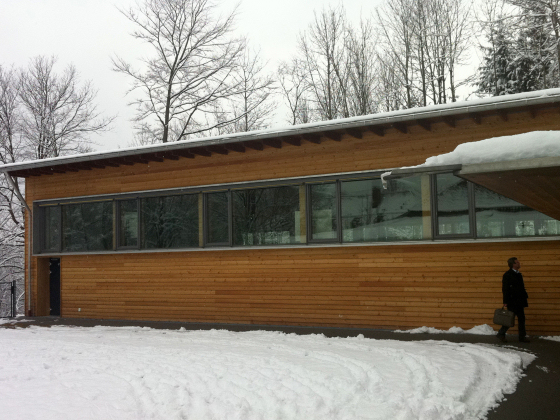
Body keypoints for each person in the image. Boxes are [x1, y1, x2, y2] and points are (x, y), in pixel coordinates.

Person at [497, 257, 530, 343]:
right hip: (512, 301)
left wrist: (524, 296)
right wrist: (505, 301)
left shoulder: (518, 274)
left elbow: (521, 288)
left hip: (520, 300)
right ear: (513, 264)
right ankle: (501, 333)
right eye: (517, 262)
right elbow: (505, 289)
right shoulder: (508, 275)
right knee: (509, 319)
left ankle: (522, 337)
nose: (519, 263)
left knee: (521, 319)